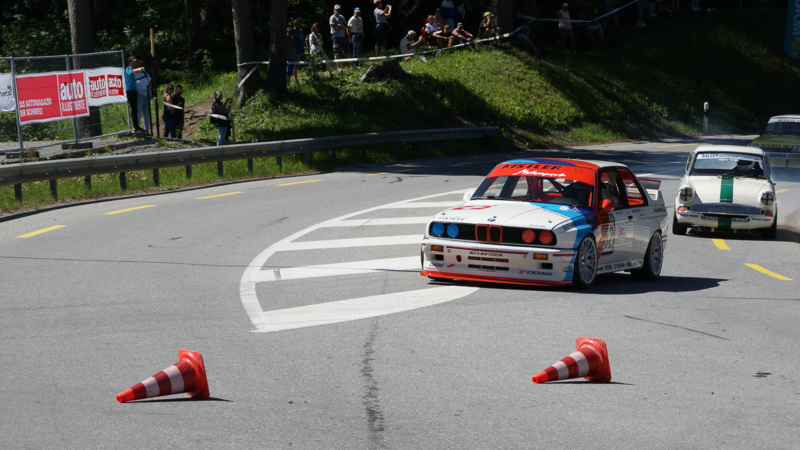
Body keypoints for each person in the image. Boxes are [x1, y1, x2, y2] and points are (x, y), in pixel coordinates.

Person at [125, 56, 146, 133]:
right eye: (133, 61)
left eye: (135, 61)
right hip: (130, 91)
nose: (134, 62)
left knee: (135, 110)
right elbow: (131, 71)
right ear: (129, 62)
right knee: (134, 110)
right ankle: (136, 127)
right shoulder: (128, 68)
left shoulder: (132, 69)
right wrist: (139, 69)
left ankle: (136, 126)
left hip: (133, 90)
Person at [330, 4, 350, 73]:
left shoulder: (342, 17)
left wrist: (339, 26)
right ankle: (338, 68)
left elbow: (346, 26)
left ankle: (351, 66)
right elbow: (334, 28)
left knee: (347, 51)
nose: (338, 11)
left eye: (339, 10)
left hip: (343, 36)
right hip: (336, 37)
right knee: (336, 52)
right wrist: (340, 26)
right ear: (334, 10)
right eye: (337, 10)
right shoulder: (332, 18)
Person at [134, 63, 153, 134]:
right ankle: (137, 129)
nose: (137, 66)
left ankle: (146, 130)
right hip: (139, 95)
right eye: (135, 64)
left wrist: (150, 92)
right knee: (138, 113)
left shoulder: (144, 72)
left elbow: (150, 81)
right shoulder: (133, 74)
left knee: (146, 114)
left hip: (146, 95)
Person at [292, 18, 305, 84]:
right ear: (296, 24)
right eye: (299, 24)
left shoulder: (301, 31)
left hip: (302, 49)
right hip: (296, 50)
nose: (300, 25)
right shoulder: (293, 31)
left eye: (301, 23)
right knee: (295, 65)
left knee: (299, 64)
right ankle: (295, 79)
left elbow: (302, 39)